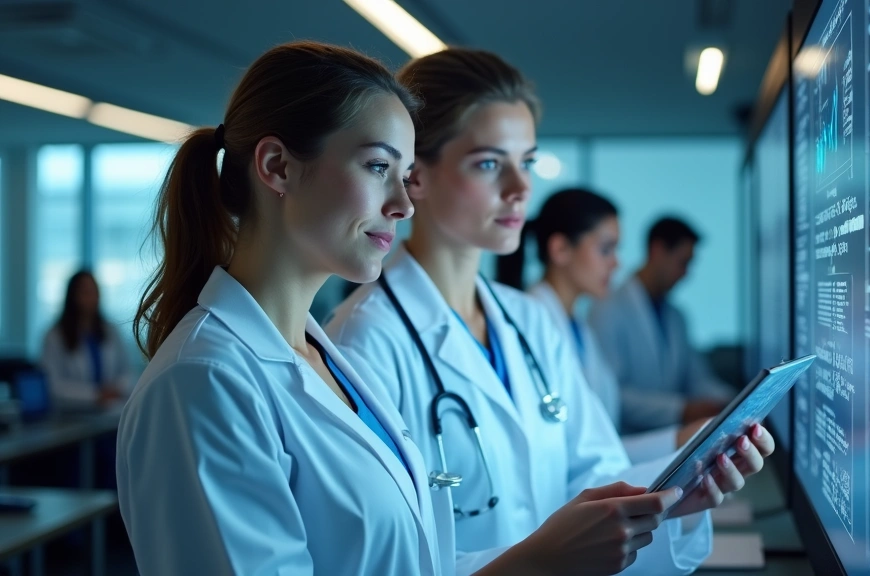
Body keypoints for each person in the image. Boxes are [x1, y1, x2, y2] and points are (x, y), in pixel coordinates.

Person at [118, 40, 679, 576]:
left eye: (403, 174)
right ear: (277, 166)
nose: (404, 203)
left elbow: (413, 563)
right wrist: (537, 564)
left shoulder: (324, 359)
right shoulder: (203, 381)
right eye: (377, 167)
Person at [324, 47, 775, 576]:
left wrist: (679, 494)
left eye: (527, 162)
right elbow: (380, 563)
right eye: (489, 164)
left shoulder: (529, 322)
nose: (521, 189)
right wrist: (538, 562)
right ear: (415, 175)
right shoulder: (361, 345)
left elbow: (594, 471)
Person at [497, 188, 708, 464]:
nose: (616, 263)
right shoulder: (531, 327)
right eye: (606, 249)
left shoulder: (578, 326)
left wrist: (680, 439)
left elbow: (597, 443)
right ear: (560, 249)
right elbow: (570, 457)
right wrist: (677, 440)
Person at [590, 217, 734, 434]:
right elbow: (611, 394)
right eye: (682, 262)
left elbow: (697, 379)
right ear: (657, 251)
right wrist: (681, 410)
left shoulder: (676, 317)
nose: (686, 274)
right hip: (628, 440)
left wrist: (734, 401)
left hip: (670, 439)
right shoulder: (607, 309)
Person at [40, 270, 133, 410]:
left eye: (94, 292)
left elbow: (128, 372)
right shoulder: (55, 336)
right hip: (72, 413)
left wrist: (116, 389)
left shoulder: (110, 330)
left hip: (111, 411)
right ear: (72, 296)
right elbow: (53, 385)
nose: (91, 297)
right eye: (85, 292)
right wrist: (95, 395)